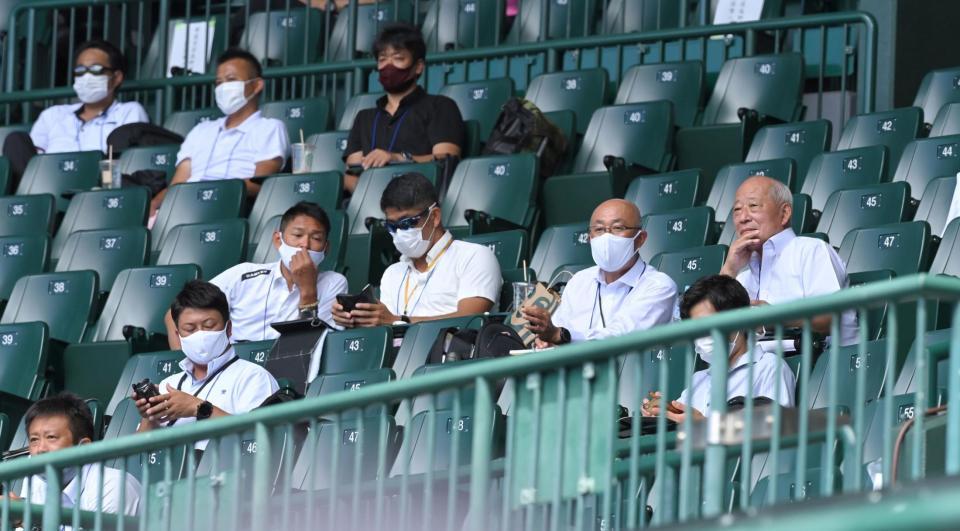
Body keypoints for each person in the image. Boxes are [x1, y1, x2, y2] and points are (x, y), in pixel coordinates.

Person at [163, 202, 348, 346]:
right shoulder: (243, 275)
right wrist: (188, 366)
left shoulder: (334, 283)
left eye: (316, 238)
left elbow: (310, 345)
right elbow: (175, 315)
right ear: (278, 240)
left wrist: (308, 290)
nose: (304, 245)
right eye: (297, 235)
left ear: (326, 248)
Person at [331, 172, 501, 327]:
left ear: (434, 217)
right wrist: (357, 319)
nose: (398, 232)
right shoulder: (392, 273)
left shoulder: (474, 256)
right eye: (391, 226)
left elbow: (470, 319)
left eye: (407, 223)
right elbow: (384, 325)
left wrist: (397, 321)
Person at [719, 176, 858, 346]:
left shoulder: (811, 250)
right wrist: (729, 269)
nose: (743, 218)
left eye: (753, 206)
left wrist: (776, 316)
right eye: (737, 210)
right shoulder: (741, 277)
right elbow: (712, 334)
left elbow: (827, 319)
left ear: (784, 213)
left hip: (824, 363)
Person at [150, 48, 289, 217]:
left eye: (231, 80)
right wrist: (153, 205)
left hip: (230, 207)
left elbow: (261, 185)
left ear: (257, 85)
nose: (223, 87)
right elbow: (178, 184)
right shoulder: (200, 130)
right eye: (218, 83)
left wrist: (212, 191)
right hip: (185, 207)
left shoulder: (269, 128)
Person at [641, 275, 796, 423]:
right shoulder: (698, 380)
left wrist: (705, 426)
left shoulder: (770, 368)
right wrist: (664, 413)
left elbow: (776, 434)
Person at [522, 199, 677, 345]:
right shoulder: (579, 281)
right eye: (599, 229)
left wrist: (560, 336)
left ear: (640, 238)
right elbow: (558, 329)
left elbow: (624, 337)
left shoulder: (659, 286)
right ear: (590, 238)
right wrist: (547, 341)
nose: (607, 236)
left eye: (618, 228)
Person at [136, 281, 279, 438]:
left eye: (209, 326)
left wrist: (197, 407)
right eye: (190, 329)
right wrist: (150, 416)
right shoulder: (167, 386)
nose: (201, 334)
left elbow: (261, 440)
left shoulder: (254, 377)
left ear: (229, 328)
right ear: (178, 336)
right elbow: (135, 454)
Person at [3, 40, 149, 185]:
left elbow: (128, 163)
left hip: (100, 187)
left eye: (95, 70)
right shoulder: (53, 115)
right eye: (80, 71)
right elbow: (32, 163)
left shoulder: (128, 111)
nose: (86, 77)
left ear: (116, 78)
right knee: (15, 140)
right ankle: (33, 203)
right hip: (50, 186)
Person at [343, 23, 465, 193]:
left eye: (398, 58)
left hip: (420, 198)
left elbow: (447, 158)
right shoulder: (364, 117)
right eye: (382, 59)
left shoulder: (440, 106)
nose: (388, 66)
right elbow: (352, 171)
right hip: (370, 202)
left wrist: (398, 158)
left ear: (419, 66)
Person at [8, 393, 141, 516]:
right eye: (34, 439)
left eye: (51, 437)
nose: (40, 449)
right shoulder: (38, 477)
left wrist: (27, 519)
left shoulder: (113, 488)